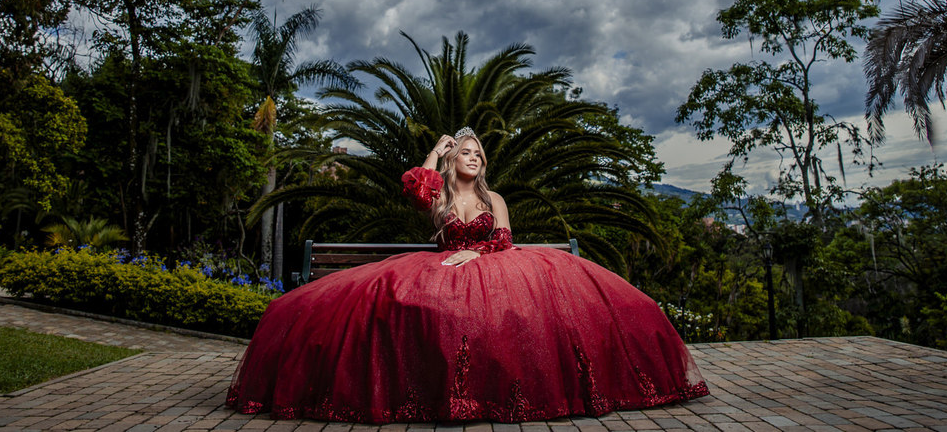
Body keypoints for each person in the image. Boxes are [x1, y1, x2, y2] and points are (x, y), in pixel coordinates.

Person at [226, 127, 708, 422]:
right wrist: (435, 152)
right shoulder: (441, 198)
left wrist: (475, 255)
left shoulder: (492, 198)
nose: (474, 158)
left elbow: (503, 238)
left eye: (478, 154)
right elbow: (417, 189)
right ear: (455, 160)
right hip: (442, 266)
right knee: (417, 307)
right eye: (466, 153)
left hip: (493, 266)